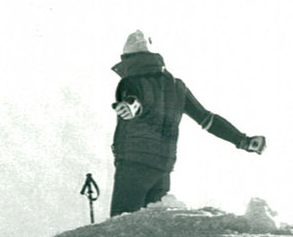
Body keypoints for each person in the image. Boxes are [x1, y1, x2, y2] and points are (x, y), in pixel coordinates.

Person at [110, 30, 265, 217]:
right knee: (150, 229)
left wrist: (130, 107)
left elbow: (134, 99)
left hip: (133, 165)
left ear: (128, 58)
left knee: (121, 225)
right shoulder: (176, 86)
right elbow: (207, 119)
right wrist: (242, 140)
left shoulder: (130, 81)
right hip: (162, 169)